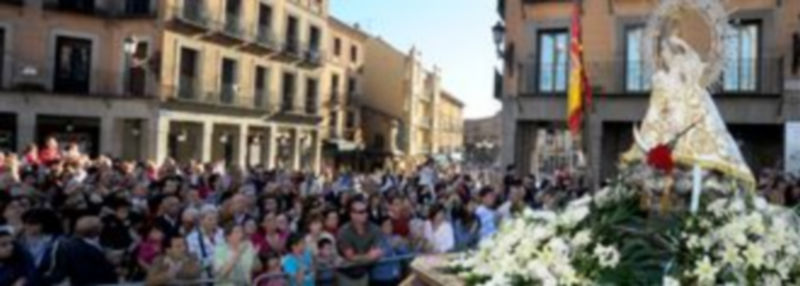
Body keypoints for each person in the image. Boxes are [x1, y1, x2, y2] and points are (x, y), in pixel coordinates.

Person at [49, 216, 118, 285]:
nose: (102, 228)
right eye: (100, 226)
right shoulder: (79, 247)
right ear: (94, 230)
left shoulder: (74, 244)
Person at [336, 196, 383, 286]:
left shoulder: (374, 229)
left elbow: (376, 254)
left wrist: (363, 258)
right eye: (359, 211)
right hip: (345, 275)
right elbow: (351, 257)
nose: (364, 214)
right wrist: (368, 257)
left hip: (363, 274)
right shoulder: (344, 231)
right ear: (351, 214)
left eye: (364, 211)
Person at [187, 205, 225, 279]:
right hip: (204, 277)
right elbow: (195, 260)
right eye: (210, 219)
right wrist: (212, 262)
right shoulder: (192, 238)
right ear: (201, 220)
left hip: (225, 273)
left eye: (216, 219)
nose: (214, 222)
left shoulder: (223, 233)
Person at [370, 217, 409, 286]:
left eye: (390, 225)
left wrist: (401, 245)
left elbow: (405, 254)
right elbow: (378, 255)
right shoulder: (375, 239)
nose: (389, 227)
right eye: (386, 225)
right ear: (380, 227)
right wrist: (392, 246)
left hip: (396, 276)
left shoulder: (396, 237)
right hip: (381, 278)